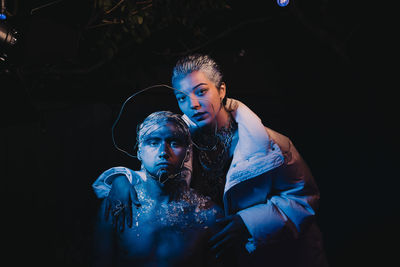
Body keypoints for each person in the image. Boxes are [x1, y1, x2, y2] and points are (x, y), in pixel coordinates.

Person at [94, 54, 328, 266]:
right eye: (182, 97)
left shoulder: (274, 146)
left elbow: (305, 199)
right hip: (216, 253)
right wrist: (121, 178)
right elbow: (157, 167)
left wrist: (249, 223)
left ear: (222, 90)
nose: (193, 104)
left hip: (279, 255)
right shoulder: (179, 137)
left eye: (202, 91)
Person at [92, 111, 224, 267]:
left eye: (174, 142)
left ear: (188, 153)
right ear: (139, 152)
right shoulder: (117, 206)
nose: (163, 152)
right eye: (153, 142)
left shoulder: (209, 215)